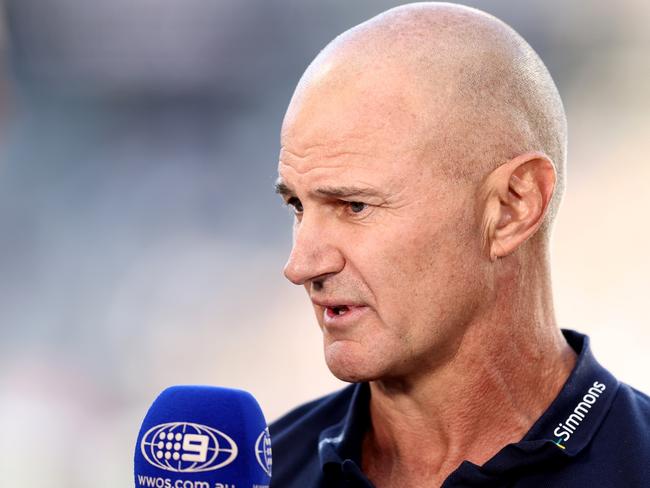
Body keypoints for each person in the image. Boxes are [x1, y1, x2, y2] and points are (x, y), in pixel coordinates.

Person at [269, 3, 650, 487]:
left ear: (513, 206)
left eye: (354, 206)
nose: (301, 265)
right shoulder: (260, 470)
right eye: (297, 207)